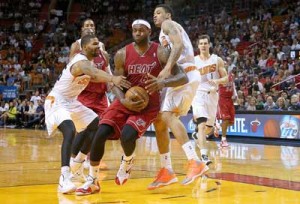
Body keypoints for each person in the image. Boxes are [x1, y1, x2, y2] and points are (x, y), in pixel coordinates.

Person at [75, 19, 188, 196]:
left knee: (127, 136)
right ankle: (92, 181)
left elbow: (183, 78)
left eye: (141, 30)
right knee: (100, 132)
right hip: (124, 101)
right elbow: (118, 84)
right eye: (134, 30)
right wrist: (123, 101)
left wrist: (162, 82)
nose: (137, 33)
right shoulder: (122, 54)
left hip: (147, 104)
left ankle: (127, 161)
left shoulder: (160, 51)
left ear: (149, 32)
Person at [44, 34, 130, 194]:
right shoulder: (80, 61)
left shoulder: (89, 62)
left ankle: (77, 164)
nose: (98, 46)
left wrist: (110, 80)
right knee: (69, 130)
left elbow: (95, 78)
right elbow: (94, 74)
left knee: (94, 124)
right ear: (84, 48)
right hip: (56, 100)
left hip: (70, 101)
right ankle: (64, 178)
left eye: (99, 44)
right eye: (94, 44)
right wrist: (113, 78)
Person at [148, 4, 207, 189]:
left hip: (186, 73)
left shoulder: (168, 25)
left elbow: (179, 45)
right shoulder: (161, 35)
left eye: (159, 13)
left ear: (168, 15)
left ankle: (194, 161)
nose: (155, 16)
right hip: (181, 75)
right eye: (154, 14)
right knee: (160, 120)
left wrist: (166, 69)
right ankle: (167, 170)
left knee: (167, 116)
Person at [69, 19, 111, 183]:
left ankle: (92, 157)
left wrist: (109, 83)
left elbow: (106, 67)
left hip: (100, 94)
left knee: (100, 129)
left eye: (92, 25)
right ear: (81, 29)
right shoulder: (76, 45)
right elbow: (72, 68)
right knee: (84, 129)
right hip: (84, 92)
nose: (89, 28)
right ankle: (75, 161)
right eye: (86, 25)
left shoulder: (101, 46)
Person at [191, 34, 228, 164]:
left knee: (208, 128)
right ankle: (204, 155)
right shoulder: (194, 61)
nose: (203, 45)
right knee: (201, 124)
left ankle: (196, 136)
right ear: (198, 46)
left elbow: (226, 78)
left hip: (213, 95)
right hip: (198, 95)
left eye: (205, 43)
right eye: (201, 43)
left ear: (209, 44)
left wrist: (217, 81)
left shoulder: (217, 60)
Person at [216, 61, 237, 148]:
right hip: (222, 99)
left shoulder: (231, 76)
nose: (225, 65)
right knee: (226, 119)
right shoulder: (218, 76)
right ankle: (223, 140)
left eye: (226, 64)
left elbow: (233, 85)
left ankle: (216, 127)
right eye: (224, 64)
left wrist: (235, 95)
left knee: (231, 123)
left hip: (230, 100)